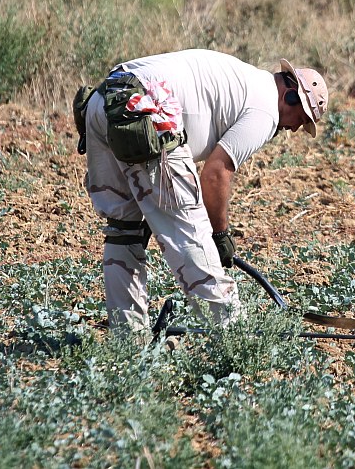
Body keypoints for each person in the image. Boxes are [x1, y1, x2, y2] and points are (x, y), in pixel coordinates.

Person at [81, 49, 329, 333]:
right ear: (291, 96)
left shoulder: (247, 80)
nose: (295, 128)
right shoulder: (266, 111)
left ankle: (128, 338)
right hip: (147, 111)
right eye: (302, 119)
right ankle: (233, 337)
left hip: (105, 100)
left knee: (124, 230)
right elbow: (216, 173)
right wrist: (219, 235)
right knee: (192, 235)